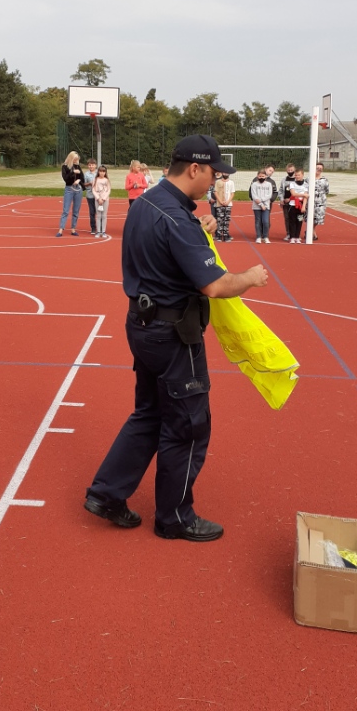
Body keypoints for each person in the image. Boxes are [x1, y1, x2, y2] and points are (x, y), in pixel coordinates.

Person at [84, 134, 269, 542]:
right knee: (187, 424)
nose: (215, 183)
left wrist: (194, 227)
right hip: (173, 335)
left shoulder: (147, 204)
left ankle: (107, 493)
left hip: (142, 326)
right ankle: (174, 517)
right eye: (214, 175)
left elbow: (167, 245)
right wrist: (251, 279)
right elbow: (217, 285)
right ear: (194, 169)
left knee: (149, 414)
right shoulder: (176, 219)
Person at [57, 152, 84, 236]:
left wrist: (79, 180)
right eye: (75, 159)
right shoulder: (65, 167)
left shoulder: (78, 166)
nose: (76, 161)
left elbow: (82, 178)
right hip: (69, 189)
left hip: (78, 189)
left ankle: (73, 229)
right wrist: (73, 172)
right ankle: (61, 229)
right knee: (65, 210)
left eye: (77, 159)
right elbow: (66, 179)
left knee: (76, 211)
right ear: (71, 158)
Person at [249, 169, 273, 243]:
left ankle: (265, 236)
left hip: (266, 206)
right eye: (260, 176)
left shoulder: (269, 184)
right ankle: (258, 236)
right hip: (257, 206)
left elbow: (269, 195)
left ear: (265, 176)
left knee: (266, 221)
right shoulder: (254, 184)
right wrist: (260, 204)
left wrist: (262, 201)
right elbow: (254, 195)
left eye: (263, 176)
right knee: (258, 221)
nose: (261, 177)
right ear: (257, 176)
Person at [286, 168, 309, 243]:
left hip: (301, 205)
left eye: (299, 175)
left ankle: (297, 236)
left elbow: (306, 197)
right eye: (296, 175)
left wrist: (304, 206)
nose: (297, 176)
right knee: (292, 221)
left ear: (302, 175)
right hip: (292, 205)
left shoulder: (306, 184)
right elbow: (293, 194)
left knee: (299, 221)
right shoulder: (292, 184)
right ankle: (292, 237)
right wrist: (303, 194)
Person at [213, 172, 235, 242]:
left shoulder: (231, 182)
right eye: (224, 173)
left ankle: (225, 235)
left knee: (226, 220)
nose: (225, 174)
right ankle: (219, 235)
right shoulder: (218, 182)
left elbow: (232, 193)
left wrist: (228, 201)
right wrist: (220, 201)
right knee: (220, 219)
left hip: (228, 204)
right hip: (219, 204)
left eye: (227, 173)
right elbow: (215, 192)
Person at [311, 163, 330, 241]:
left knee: (318, 219)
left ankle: (311, 230)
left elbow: (327, 190)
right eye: (317, 167)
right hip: (311, 201)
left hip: (321, 202)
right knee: (310, 217)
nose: (318, 169)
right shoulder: (309, 179)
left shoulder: (324, 180)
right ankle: (312, 232)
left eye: (320, 168)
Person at [278, 163, 297, 240]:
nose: (290, 171)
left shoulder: (297, 180)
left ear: (294, 170)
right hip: (286, 203)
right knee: (287, 218)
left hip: (295, 202)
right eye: (288, 170)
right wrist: (281, 199)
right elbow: (281, 190)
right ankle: (288, 233)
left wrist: (291, 198)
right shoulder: (284, 180)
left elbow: (299, 191)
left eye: (291, 170)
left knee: (294, 218)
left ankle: (295, 234)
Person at [93, 165, 111, 238]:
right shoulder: (95, 179)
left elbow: (108, 190)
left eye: (103, 171)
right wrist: (98, 198)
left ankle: (103, 231)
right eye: (100, 171)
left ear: (105, 172)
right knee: (98, 215)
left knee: (104, 215)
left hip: (105, 200)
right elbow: (93, 190)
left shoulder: (106, 180)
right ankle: (98, 231)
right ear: (98, 172)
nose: (102, 173)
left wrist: (103, 198)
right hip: (97, 200)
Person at [83, 158, 98, 235]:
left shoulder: (99, 173)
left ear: (95, 165)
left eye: (92, 165)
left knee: (99, 212)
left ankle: (100, 227)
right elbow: (83, 184)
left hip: (98, 196)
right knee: (92, 212)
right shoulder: (86, 174)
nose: (91, 166)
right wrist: (90, 183)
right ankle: (93, 227)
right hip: (90, 195)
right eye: (89, 165)